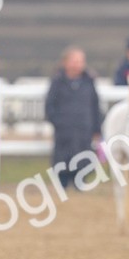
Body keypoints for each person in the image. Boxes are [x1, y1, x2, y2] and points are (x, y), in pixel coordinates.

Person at [45, 48, 102, 188]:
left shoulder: (89, 82)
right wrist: (60, 123)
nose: (78, 64)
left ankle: (80, 186)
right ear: (65, 62)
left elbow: (95, 106)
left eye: (80, 61)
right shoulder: (58, 82)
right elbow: (50, 106)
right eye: (74, 61)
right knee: (62, 165)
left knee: (83, 163)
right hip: (64, 134)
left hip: (84, 133)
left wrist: (96, 128)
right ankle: (62, 186)